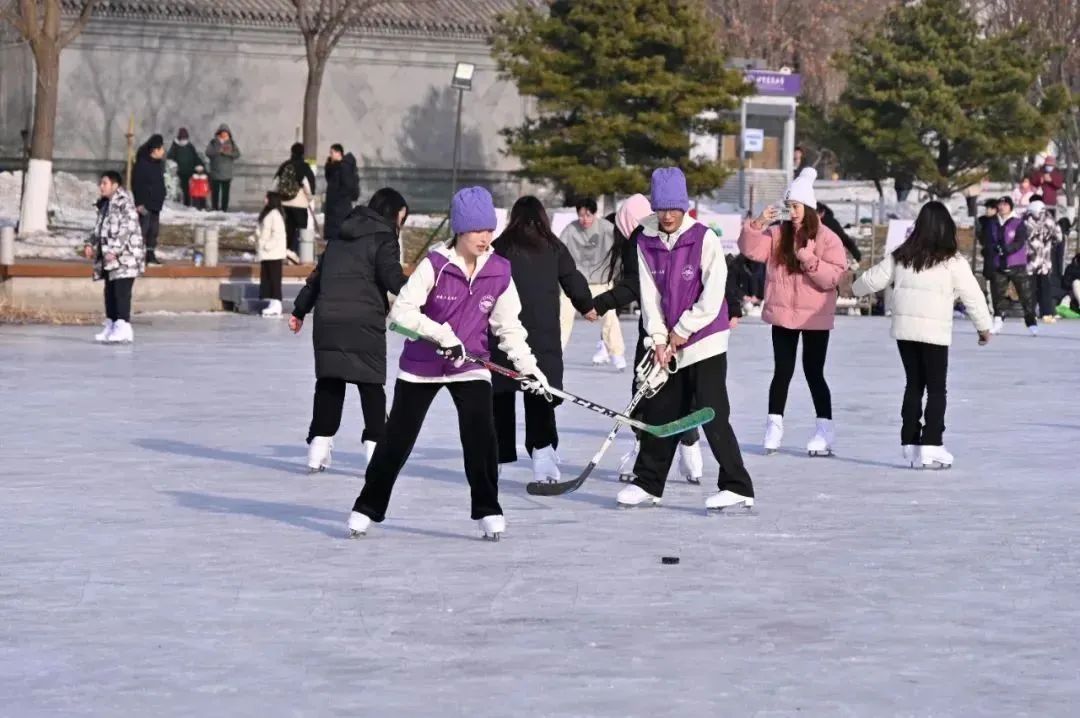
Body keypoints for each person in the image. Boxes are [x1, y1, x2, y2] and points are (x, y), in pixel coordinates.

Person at [346, 186, 549, 540]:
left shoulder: (499, 271)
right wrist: (443, 335)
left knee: (481, 438)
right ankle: (367, 506)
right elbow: (401, 314)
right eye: (477, 231)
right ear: (459, 230)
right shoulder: (435, 265)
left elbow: (509, 326)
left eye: (489, 230)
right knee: (396, 440)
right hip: (421, 366)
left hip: (471, 365)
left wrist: (528, 367)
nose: (485, 238)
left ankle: (488, 508)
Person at [615, 167, 755, 512]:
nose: (668, 215)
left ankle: (737, 485)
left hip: (705, 338)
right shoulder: (646, 241)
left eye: (674, 208)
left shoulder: (703, 237)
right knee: (661, 410)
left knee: (710, 411)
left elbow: (713, 296)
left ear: (685, 206)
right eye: (662, 208)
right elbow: (649, 298)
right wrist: (660, 339)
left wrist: (682, 331)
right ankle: (648, 483)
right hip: (671, 341)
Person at [852, 201, 992, 469]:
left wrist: (848, 289)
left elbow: (872, 280)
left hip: (905, 332)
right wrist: (983, 327)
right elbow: (973, 295)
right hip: (934, 333)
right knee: (937, 387)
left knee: (914, 384)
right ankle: (932, 443)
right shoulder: (953, 261)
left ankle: (910, 442)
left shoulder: (902, 255)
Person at [291, 188, 410, 472]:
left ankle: (318, 448)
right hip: (363, 320)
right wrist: (423, 291)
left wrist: (299, 310)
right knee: (370, 385)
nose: (399, 225)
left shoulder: (339, 236)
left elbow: (317, 278)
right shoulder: (384, 239)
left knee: (330, 382)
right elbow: (392, 278)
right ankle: (375, 451)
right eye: (400, 218)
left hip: (328, 319)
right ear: (390, 214)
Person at [738, 167, 847, 456]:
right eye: (790, 206)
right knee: (782, 371)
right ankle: (774, 425)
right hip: (784, 314)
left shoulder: (828, 238)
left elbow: (833, 278)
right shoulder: (778, 235)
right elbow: (750, 250)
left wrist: (808, 258)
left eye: (796, 206)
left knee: (814, 372)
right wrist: (758, 223)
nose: (793, 212)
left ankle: (824, 429)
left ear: (809, 207)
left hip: (815, 317)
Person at [491, 196, 593, 483]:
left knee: (501, 393)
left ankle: (497, 456)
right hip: (542, 334)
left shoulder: (500, 247)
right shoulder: (553, 246)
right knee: (539, 392)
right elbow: (572, 278)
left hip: (504, 333)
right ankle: (543, 455)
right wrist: (587, 305)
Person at [559, 198, 626, 369]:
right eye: (581, 215)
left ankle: (616, 353)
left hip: (600, 281)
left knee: (610, 317)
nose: (585, 219)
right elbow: (559, 252)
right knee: (563, 315)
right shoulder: (570, 229)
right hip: (575, 282)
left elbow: (619, 252)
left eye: (588, 215)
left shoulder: (606, 229)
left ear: (595, 214)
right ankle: (556, 351)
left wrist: (614, 274)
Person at [82, 170, 145, 344]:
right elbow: (98, 229)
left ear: (115, 185)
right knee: (109, 292)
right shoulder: (105, 205)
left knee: (121, 293)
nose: (101, 187)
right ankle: (111, 325)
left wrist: (114, 250)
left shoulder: (125, 204)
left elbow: (127, 229)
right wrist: (89, 243)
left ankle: (123, 326)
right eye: (101, 183)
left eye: (105, 183)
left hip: (125, 259)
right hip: (109, 259)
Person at [985, 196, 1037, 335]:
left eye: (1005, 205)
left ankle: (1031, 321)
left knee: (1025, 294)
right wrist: (994, 248)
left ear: (1010, 207)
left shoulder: (1018, 222)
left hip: (1017, 264)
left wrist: (1007, 249)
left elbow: (1020, 241)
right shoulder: (993, 223)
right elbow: (988, 240)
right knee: (997, 295)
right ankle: (998, 321)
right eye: (1000, 205)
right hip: (998, 265)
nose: (1001, 207)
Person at [274, 142, 317, 259]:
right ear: (303, 153)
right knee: (301, 228)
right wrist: (309, 198)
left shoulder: (285, 165)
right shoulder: (304, 167)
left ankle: (285, 250)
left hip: (285, 203)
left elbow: (275, 183)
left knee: (288, 227)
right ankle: (298, 252)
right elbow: (308, 186)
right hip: (300, 204)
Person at [1024, 200, 1063, 324]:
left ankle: (1033, 312)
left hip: (1032, 260)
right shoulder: (1050, 221)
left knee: (1032, 287)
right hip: (1042, 260)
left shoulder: (1026, 221)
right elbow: (1059, 237)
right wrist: (1050, 243)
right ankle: (1046, 312)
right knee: (1044, 287)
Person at [131, 134, 166, 265]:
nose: (163, 151)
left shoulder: (158, 164)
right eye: (161, 148)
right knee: (143, 229)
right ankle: (137, 255)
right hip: (145, 204)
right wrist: (139, 203)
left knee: (154, 230)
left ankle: (150, 254)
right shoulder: (142, 164)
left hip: (156, 203)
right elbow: (137, 184)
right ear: (154, 150)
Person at [255, 191, 287, 317]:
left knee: (274, 278)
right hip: (266, 253)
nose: (264, 200)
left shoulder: (275, 214)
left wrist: (267, 245)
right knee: (268, 278)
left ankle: (277, 303)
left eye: (266, 198)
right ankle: (272, 302)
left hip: (273, 252)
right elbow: (263, 230)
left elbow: (277, 234)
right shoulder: (267, 213)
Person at [323, 144, 360, 242]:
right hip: (334, 204)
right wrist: (328, 166)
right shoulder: (334, 166)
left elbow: (347, 184)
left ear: (338, 153)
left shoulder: (344, 166)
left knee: (339, 231)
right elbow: (329, 179)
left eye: (332, 153)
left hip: (340, 204)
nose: (330, 155)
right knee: (333, 233)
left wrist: (339, 195)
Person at [205, 124, 241, 212]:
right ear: (219, 133)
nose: (224, 135)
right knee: (215, 192)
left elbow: (237, 154)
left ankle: (224, 209)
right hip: (215, 172)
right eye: (223, 133)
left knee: (225, 193)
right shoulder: (213, 142)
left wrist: (227, 153)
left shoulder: (231, 143)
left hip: (227, 173)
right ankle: (215, 208)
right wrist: (218, 151)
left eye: (226, 133)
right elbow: (208, 152)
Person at [166, 127, 203, 206]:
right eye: (182, 138)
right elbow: (170, 157)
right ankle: (185, 205)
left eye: (185, 138)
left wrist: (199, 165)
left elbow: (195, 157)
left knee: (192, 190)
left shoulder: (190, 146)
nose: (184, 140)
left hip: (191, 171)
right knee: (184, 190)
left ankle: (193, 205)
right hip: (180, 173)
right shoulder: (175, 146)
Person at [974, 198, 999, 311]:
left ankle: (997, 307)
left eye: (990, 208)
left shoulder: (999, 221)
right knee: (989, 282)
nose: (988, 210)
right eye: (987, 208)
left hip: (998, 256)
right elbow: (980, 236)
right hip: (988, 255)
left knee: (998, 282)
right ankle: (992, 307)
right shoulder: (983, 220)